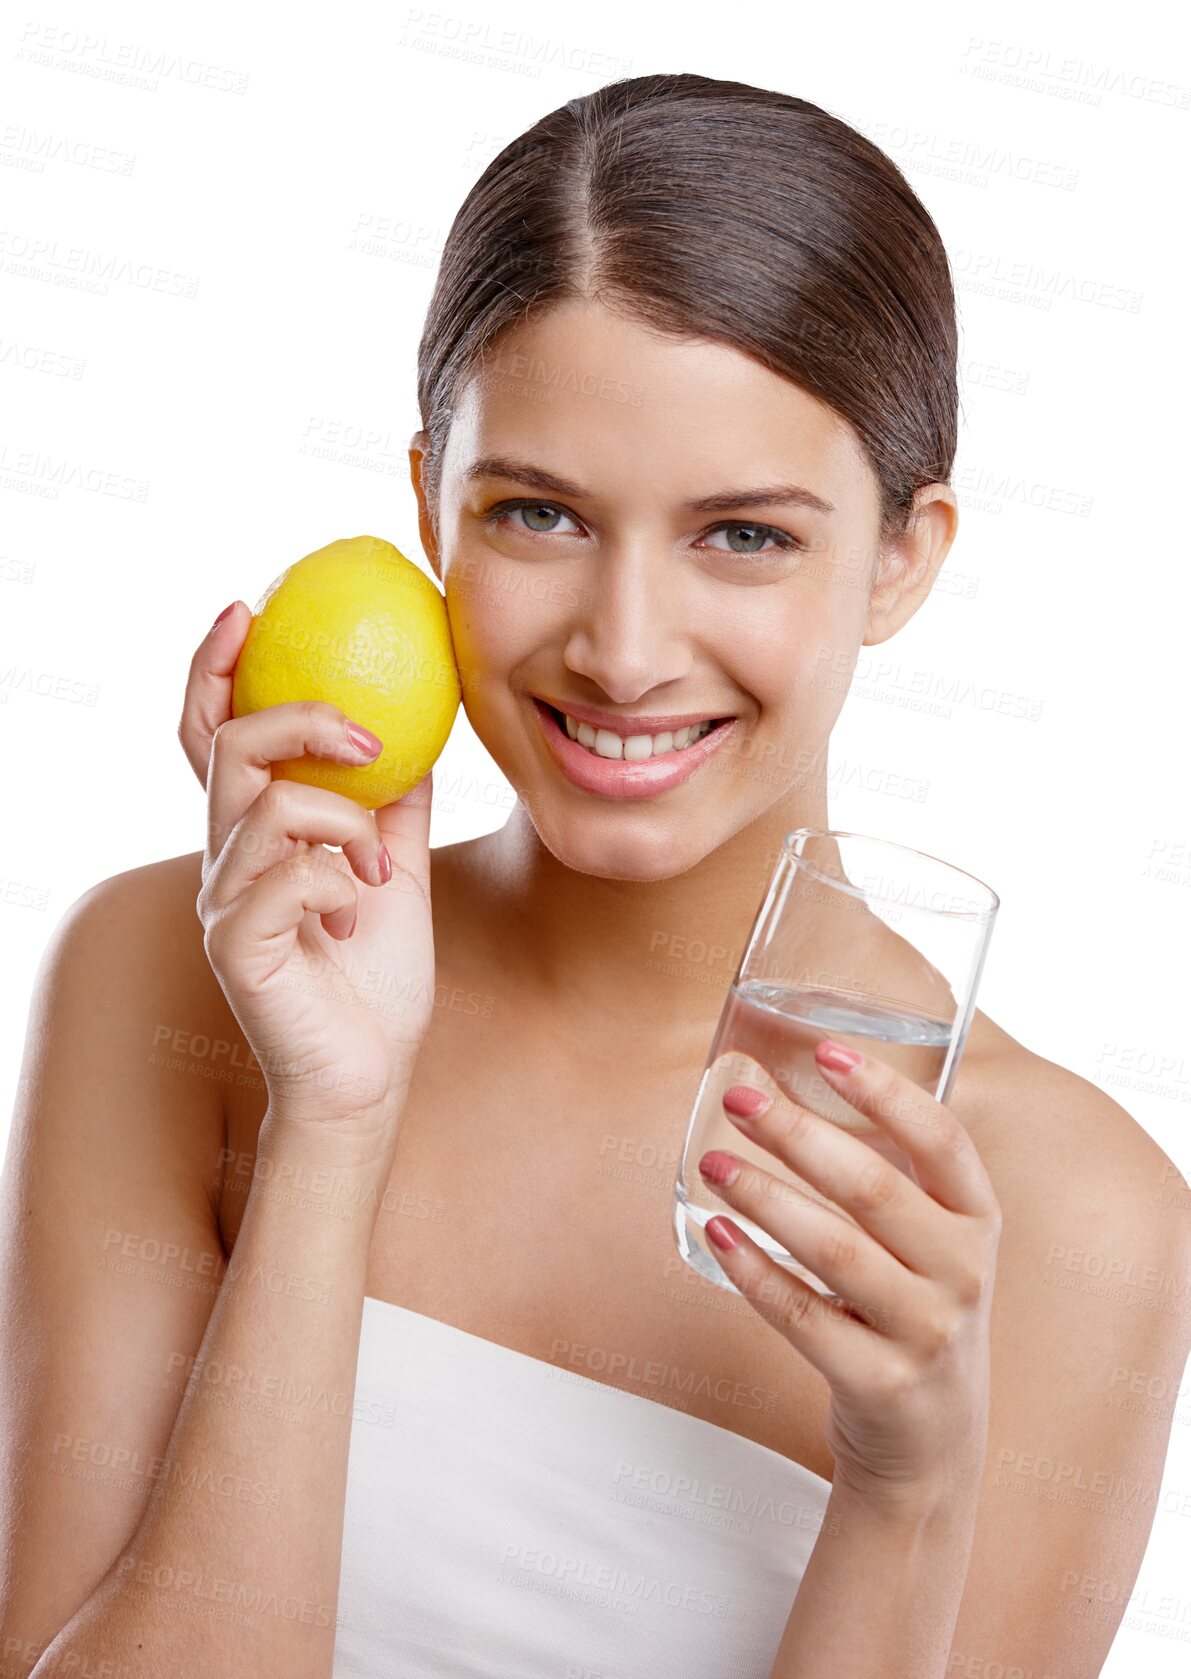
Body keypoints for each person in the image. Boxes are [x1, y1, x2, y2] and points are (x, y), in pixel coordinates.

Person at [1, 71, 1186, 1679]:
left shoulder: (1067, 1216)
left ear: (904, 555)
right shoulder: (170, 971)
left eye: (746, 536)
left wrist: (907, 1491)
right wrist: (330, 1132)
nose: (624, 654)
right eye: (541, 512)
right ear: (430, 502)